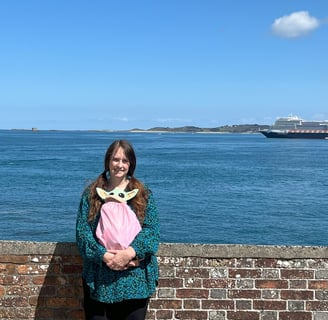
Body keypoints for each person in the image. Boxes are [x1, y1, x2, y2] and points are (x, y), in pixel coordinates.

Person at [76, 139, 160, 320]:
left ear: (131, 164)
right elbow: (83, 233)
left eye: (125, 160)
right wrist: (105, 256)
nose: (119, 165)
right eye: (116, 159)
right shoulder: (91, 194)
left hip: (135, 278)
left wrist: (128, 253)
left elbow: (152, 231)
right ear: (108, 161)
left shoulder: (143, 193)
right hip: (99, 278)